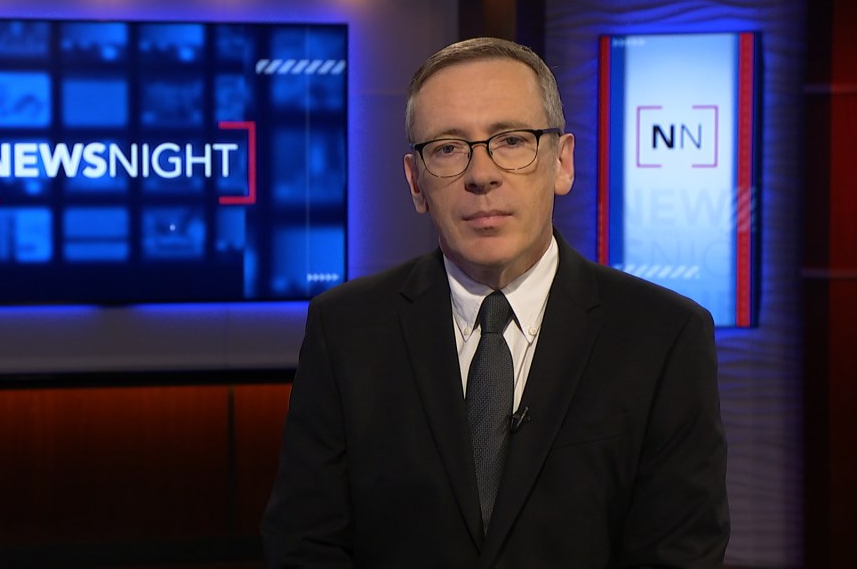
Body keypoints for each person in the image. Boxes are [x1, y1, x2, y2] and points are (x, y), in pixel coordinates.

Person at [261, 37, 730, 568]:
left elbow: (680, 551)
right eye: (447, 148)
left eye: (510, 141)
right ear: (416, 183)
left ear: (562, 162)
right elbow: (305, 543)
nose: (481, 174)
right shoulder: (345, 330)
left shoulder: (664, 336)